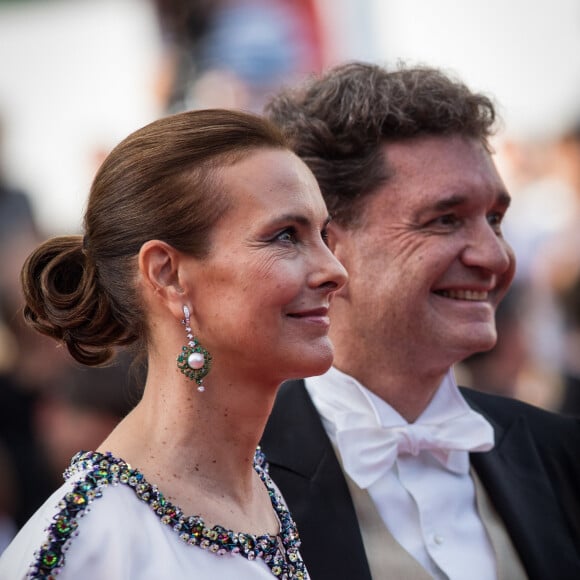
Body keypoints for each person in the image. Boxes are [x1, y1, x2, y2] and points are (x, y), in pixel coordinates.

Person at [260, 62, 580, 580]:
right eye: (445, 220)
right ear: (329, 246)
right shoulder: (236, 481)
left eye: (494, 219)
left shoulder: (561, 454)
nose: (494, 257)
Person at [0, 108, 347, 578]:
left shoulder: (264, 487)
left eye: (323, 235)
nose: (334, 271)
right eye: (286, 236)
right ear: (167, 273)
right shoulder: (92, 545)